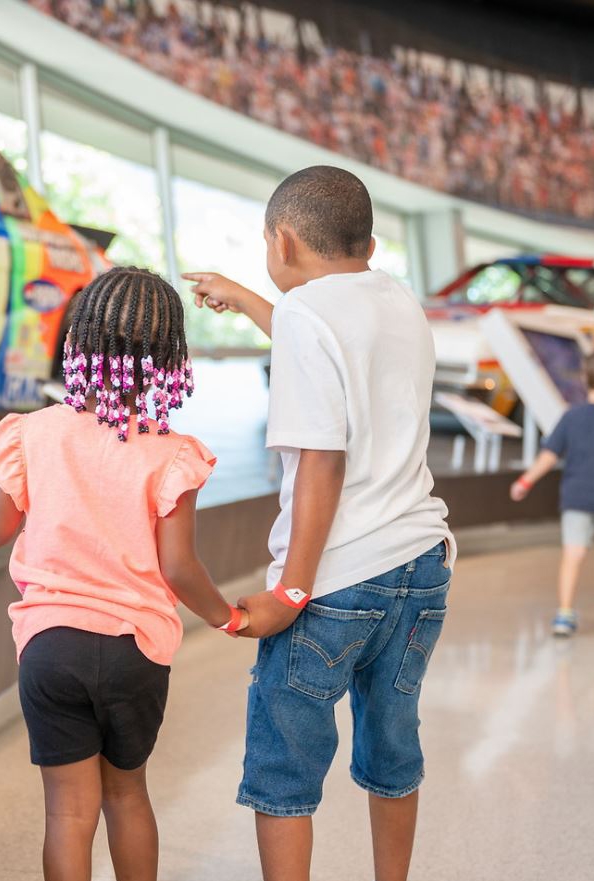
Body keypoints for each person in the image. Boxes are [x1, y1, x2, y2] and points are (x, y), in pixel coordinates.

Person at [185, 165, 454, 881]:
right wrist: (247, 301)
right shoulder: (396, 299)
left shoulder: (308, 316)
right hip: (419, 565)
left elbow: (321, 466)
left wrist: (290, 592)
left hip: (336, 581)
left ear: (282, 239)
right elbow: (330, 349)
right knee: (392, 749)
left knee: (283, 766)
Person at [0, 266, 250, 881]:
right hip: (136, 651)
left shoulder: (35, 433)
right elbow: (179, 568)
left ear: (78, 344)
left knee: (67, 816)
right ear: (169, 360)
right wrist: (228, 617)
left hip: (50, 645)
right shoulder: (174, 454)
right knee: (127, 796)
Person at [510, 350, 594, 636]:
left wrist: (526, 481)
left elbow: (549, 455)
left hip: (577, 497)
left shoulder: (572, 417)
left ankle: (565, 613)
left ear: (585, 379)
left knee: (573, 553)